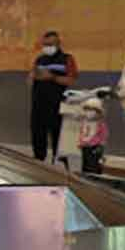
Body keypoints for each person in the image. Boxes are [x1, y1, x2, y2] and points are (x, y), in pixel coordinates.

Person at [29, 30, 78, 163]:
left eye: (50, 44)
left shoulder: (67, 59)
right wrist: (32, 76)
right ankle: (38, 160)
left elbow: (71, 80)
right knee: (38, 133)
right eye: (45, 44)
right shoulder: (40, 59)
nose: (47, 47)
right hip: (38, 103)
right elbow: (31, 77)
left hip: (56, 104)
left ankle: (57, 162)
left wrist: (53, 77)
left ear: (57, 44)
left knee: (57, 135)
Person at [77, 97, 108, 175]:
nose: (89, 112)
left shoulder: (100, 125)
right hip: (85, 147)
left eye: (92, 110)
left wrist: (100, 146)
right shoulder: (84, 123)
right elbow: (82, 133)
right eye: (87, 109)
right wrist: (80, 142)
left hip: (95, 148)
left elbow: (103, 136)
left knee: (93, 165)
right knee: (85, 163)